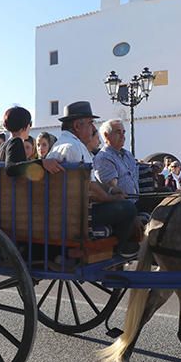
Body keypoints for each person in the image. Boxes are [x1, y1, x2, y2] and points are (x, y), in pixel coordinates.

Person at [44, 101, 138, 257]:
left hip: (62, 214)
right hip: (77, 216)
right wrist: (111, 198)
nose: (94, 128)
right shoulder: (75, 148)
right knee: (128, 208)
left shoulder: (61, 145)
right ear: (77, 126)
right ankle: (116, 252)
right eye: (90, 123)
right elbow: (90, 188)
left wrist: (109, 191)